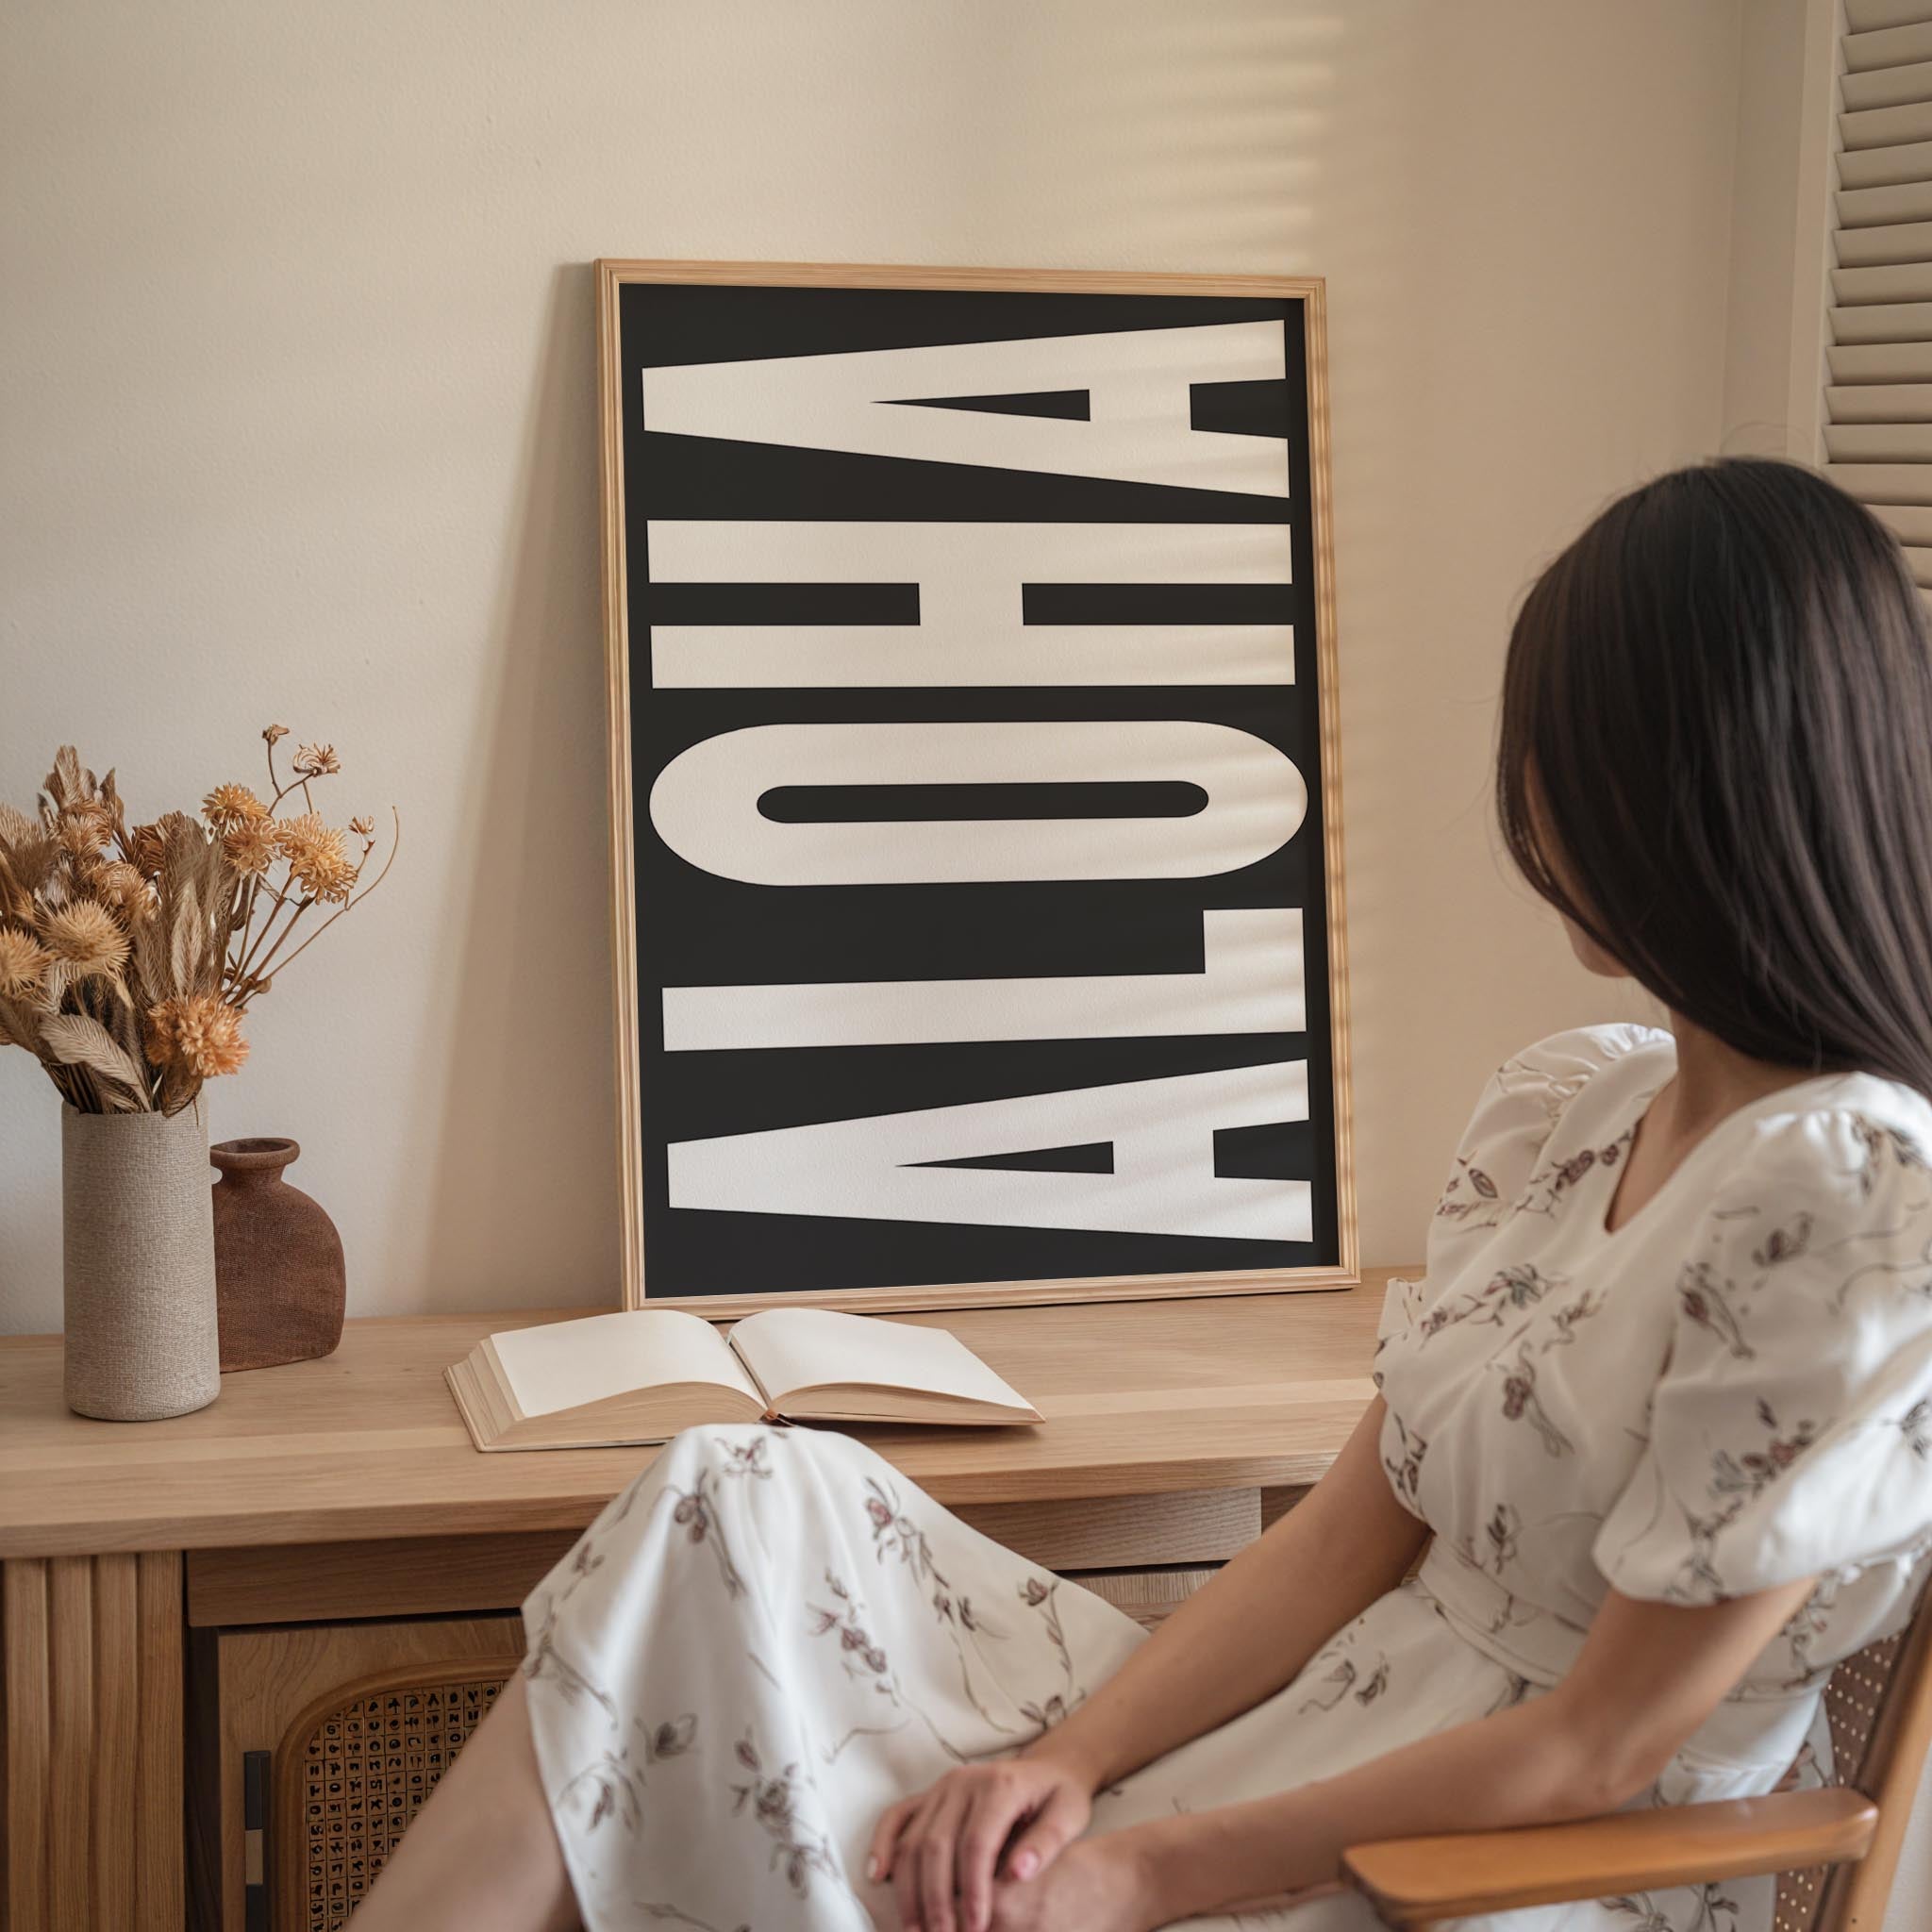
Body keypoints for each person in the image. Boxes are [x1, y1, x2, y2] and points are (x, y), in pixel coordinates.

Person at [349, 459, 1932, 1932]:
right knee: (737, 1495)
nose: (1527, 797)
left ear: (1698, 790)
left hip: (1476, 1866)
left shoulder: (1849, 1198)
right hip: (1324, 1722)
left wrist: (1129, 1876)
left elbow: (1595, 1752)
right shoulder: (1579, 1107)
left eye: (1563, 755)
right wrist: (1071, 1767)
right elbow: (1340, 1538)